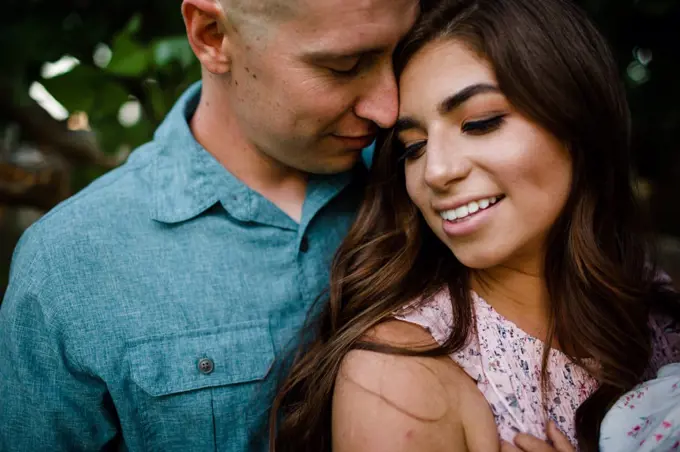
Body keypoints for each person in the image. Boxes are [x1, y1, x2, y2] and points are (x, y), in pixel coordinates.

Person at [0, 0, 419, 450]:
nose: (388, 108)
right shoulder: (69, 262)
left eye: (401, 55)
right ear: (212, 36)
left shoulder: (427, 182)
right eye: (345, 65)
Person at [270, 0, 680, 451]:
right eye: (413, 147)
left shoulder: (656, 304)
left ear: (577, 122)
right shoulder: (398, 377)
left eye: (480, 123)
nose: (436, 172)